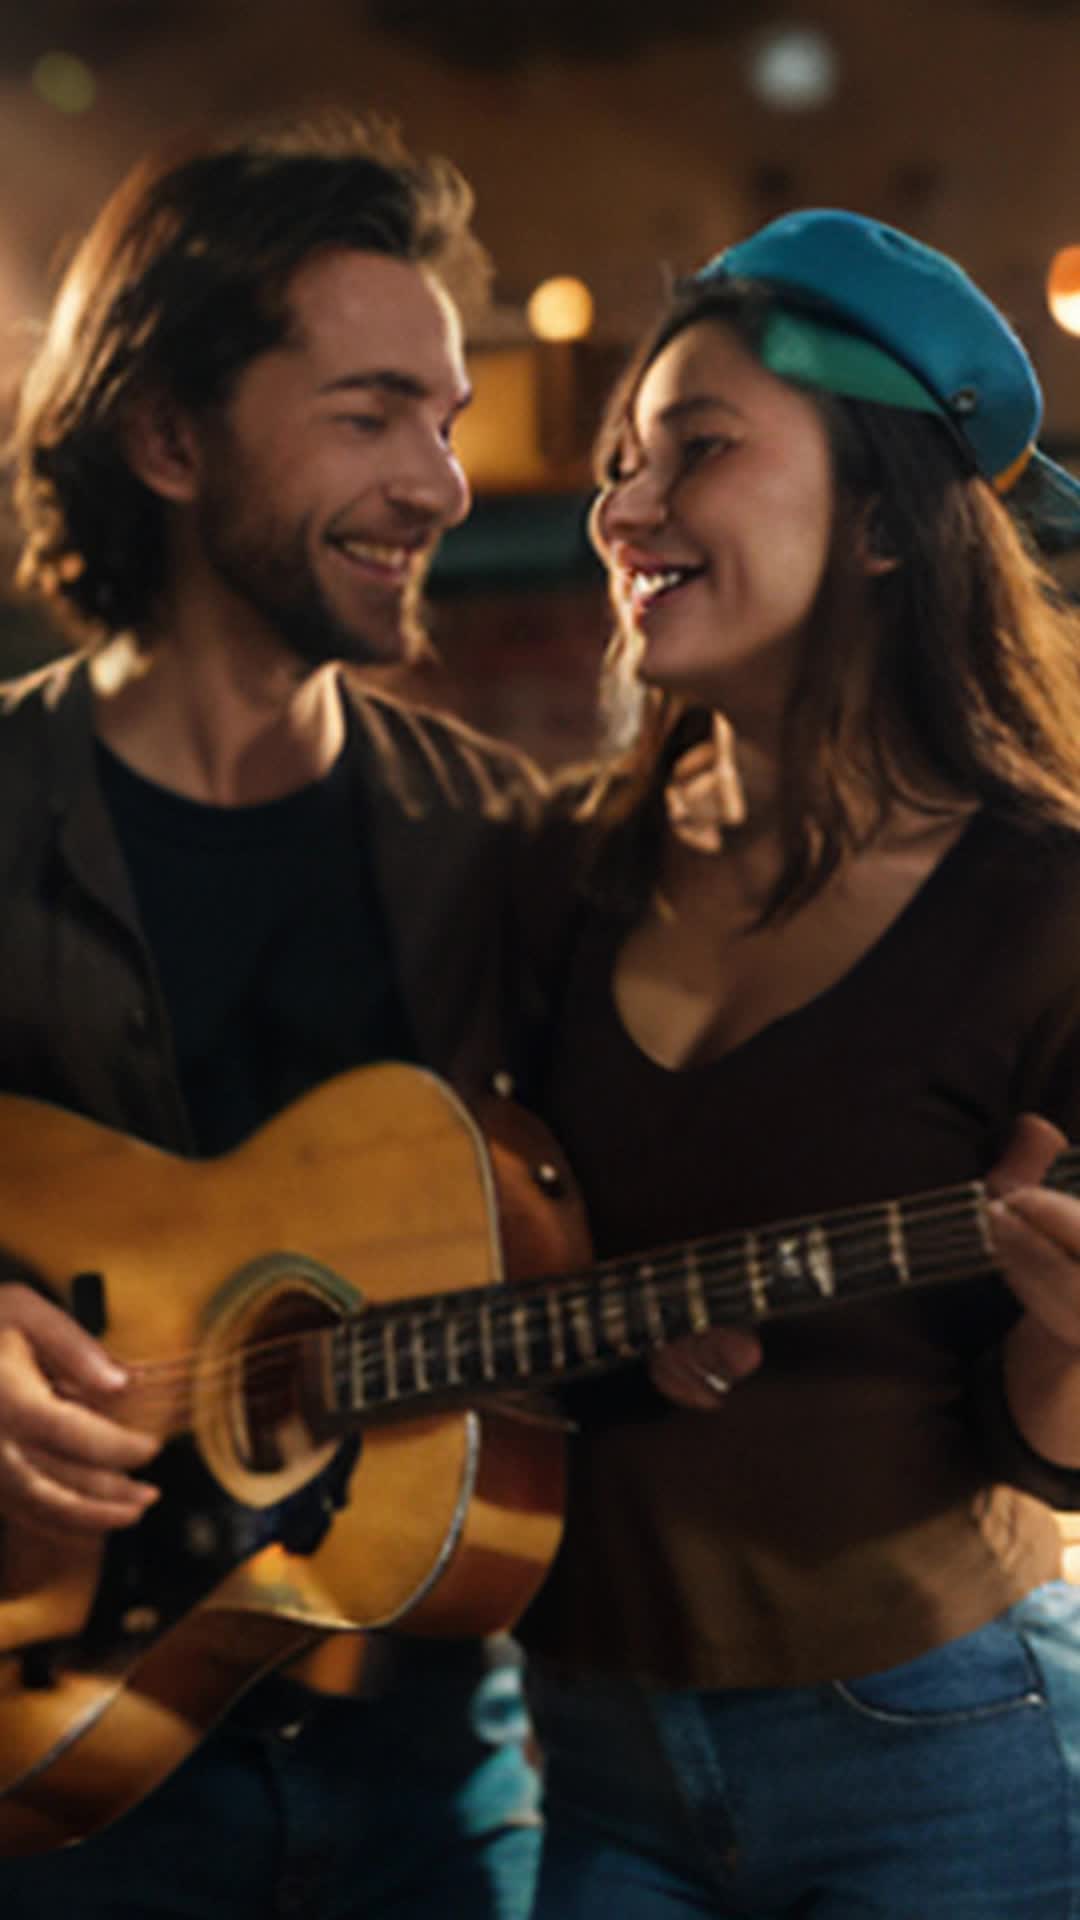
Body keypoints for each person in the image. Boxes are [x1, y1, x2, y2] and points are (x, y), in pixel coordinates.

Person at [0, 112, 545, 1918]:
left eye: (446, 421)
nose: (443, 483)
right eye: (371, 413)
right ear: (165, 437)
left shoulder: (499, 844)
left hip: (434, 1785)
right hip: (57, 1774)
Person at [517, 208, 1080, 1917]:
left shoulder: (1046, 905)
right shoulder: (550, 872)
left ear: (887, 524)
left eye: (697, 451)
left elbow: (1039, 1442)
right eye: (623, 462)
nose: (622, 510)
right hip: (590, 1766)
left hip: (939, 1756)